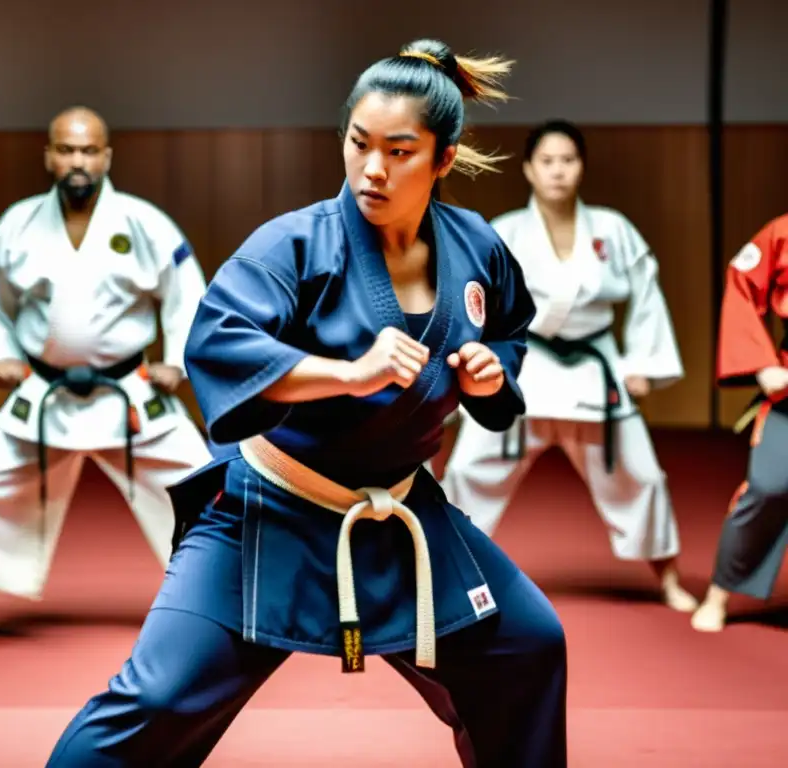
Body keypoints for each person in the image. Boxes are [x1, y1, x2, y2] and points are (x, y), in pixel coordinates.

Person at [45, 40, 568, 768]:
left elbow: (509, 327)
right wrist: (344, 373)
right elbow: (219, 344)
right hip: (269, 511)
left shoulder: (476, 246)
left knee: (529, 647)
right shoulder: (294, 245)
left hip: (400, 516)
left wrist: (490, 374)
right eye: (358, 144)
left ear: (443, 160)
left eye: (399, 151)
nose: (372, 169)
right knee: (156, 700)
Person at [0, 106, 214, 648]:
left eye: (87, 150)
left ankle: (227, 608)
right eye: (66, 150)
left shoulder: (144, 223)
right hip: (46, 392)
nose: (77, 161)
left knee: (203, 486)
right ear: (49, 156)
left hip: (130, 390)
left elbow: (185, 291)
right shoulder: (19, 224)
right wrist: (2, 355)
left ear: (106, 156)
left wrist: (177, 358)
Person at [441, 120, 697, 613]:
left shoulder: (612, 228)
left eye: (568, 161)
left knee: (641, 475)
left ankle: (668, 579)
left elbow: (647, 294)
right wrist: (470, 367)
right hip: (521, 368)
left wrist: (644, 363)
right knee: (468, 470)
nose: (558, 171)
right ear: (529, 170)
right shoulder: (505, 230)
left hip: (593, 369)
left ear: (581, 167)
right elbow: (474, 302)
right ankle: (445, 572)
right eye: (548, 161)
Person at [691, 213, 788, 632]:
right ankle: (719, 591)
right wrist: (762, 364)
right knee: (768, 485)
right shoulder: (782, 231)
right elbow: (742, 279)